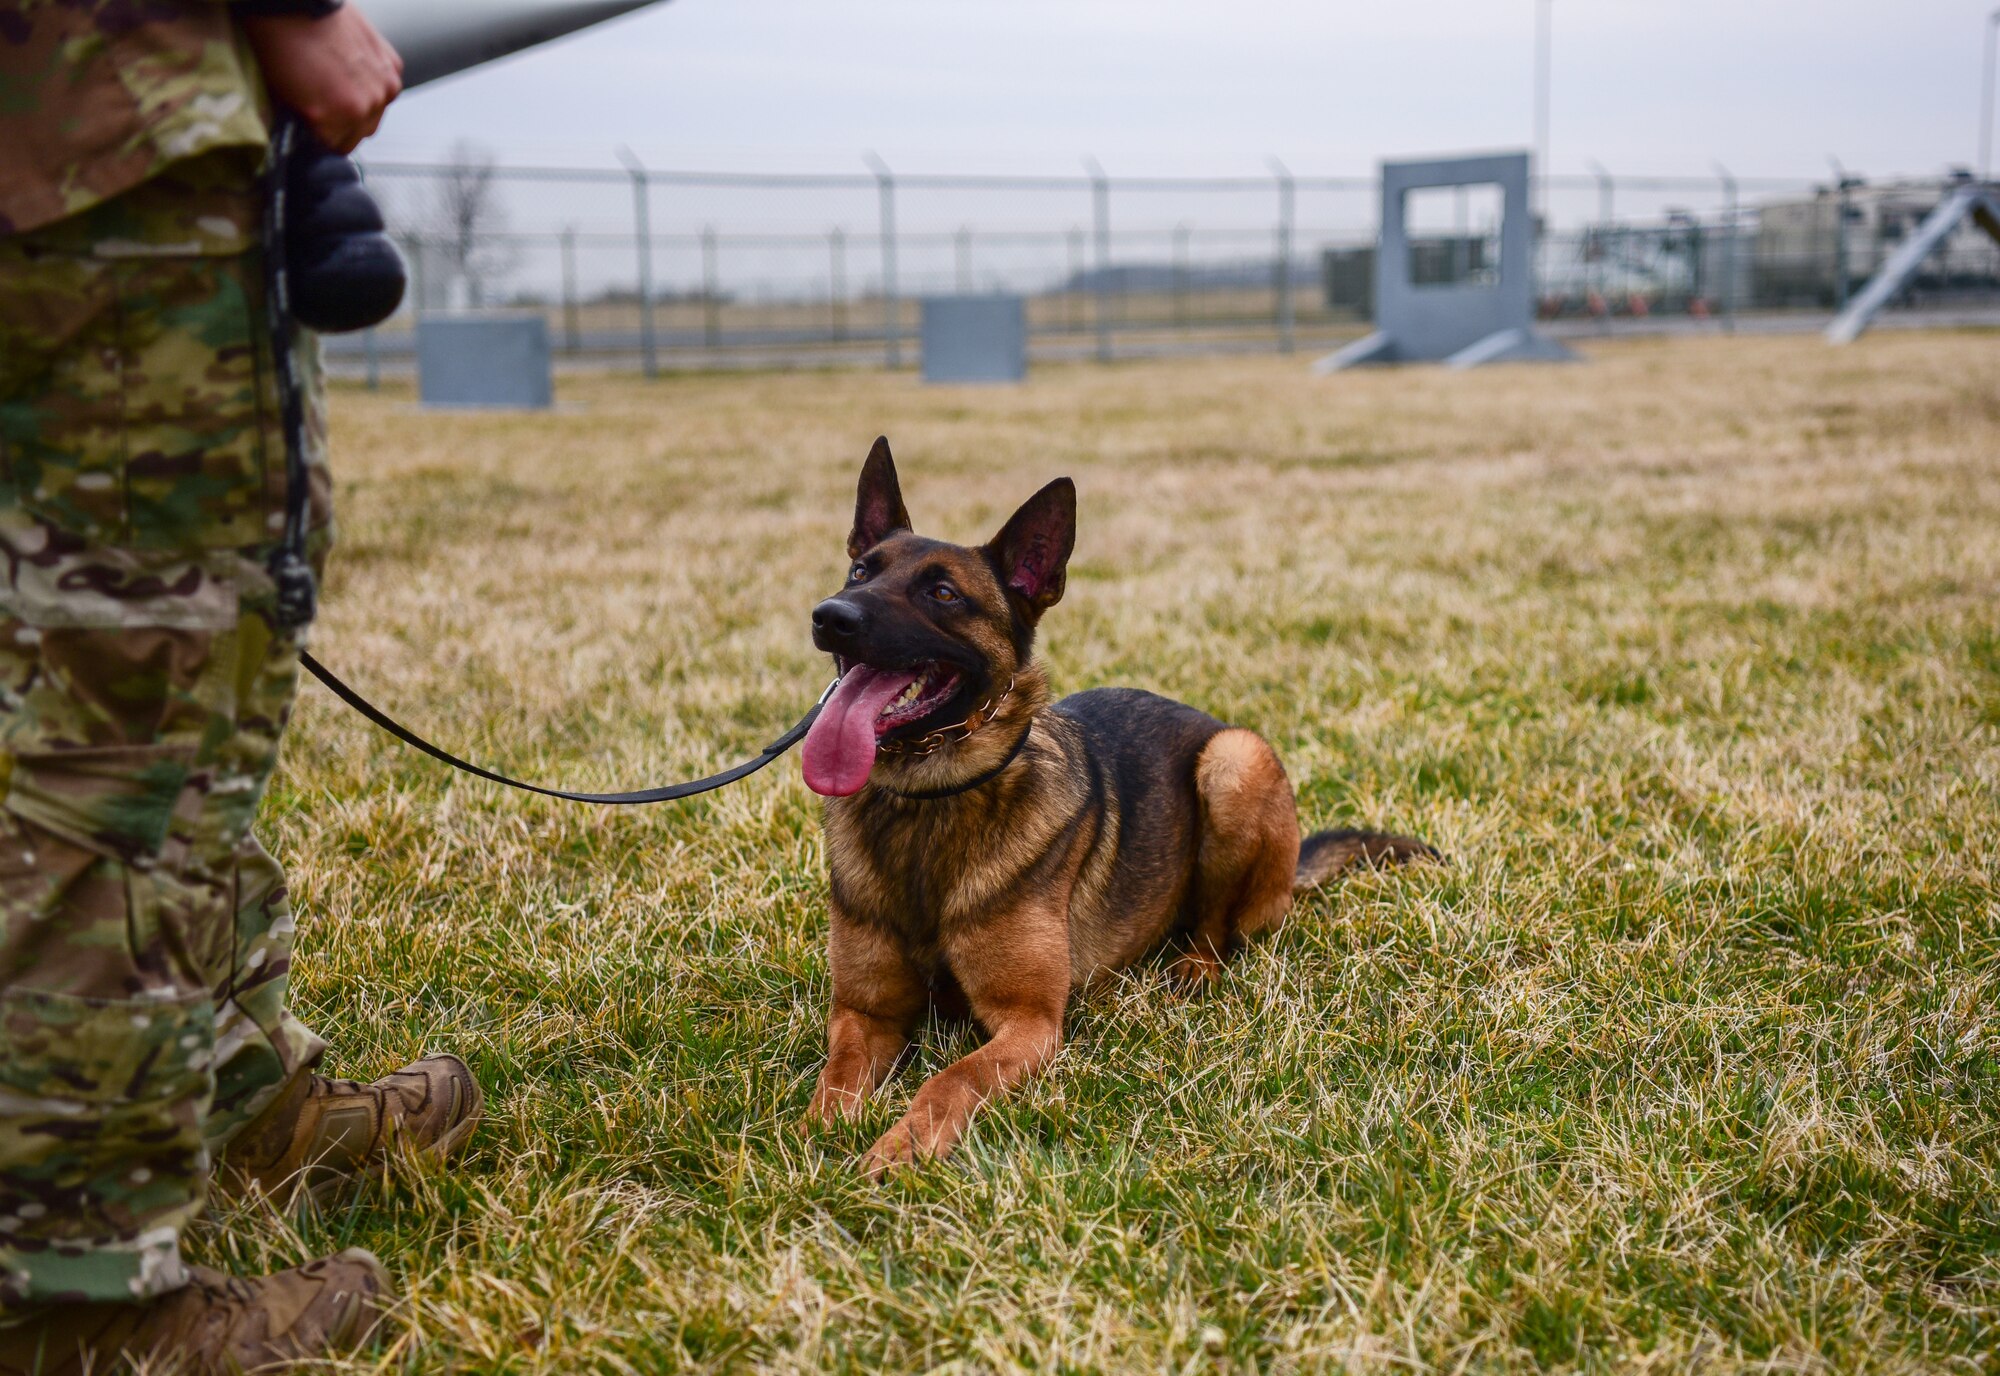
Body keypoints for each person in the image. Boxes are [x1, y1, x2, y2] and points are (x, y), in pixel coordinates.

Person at [0, 3, 482, 1368]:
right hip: (99, 131)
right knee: (141, 706)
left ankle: (229, 1096)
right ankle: (72, 1301)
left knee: (74, 665)